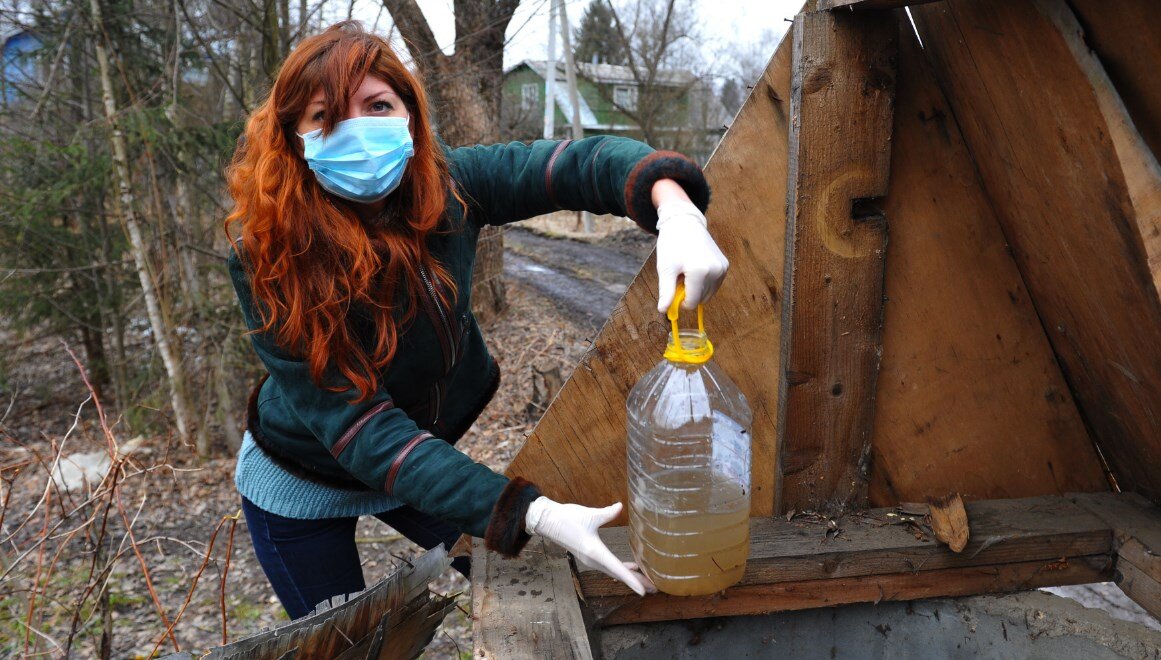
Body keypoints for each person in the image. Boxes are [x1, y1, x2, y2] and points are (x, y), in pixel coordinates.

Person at [224, 21, 728, 620]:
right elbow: (362, 430)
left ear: (409, 116)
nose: (356, 131)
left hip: (419, 458)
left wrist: (673, 209)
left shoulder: (450, 189)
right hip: (303, 476)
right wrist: (535, 511)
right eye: (324, 118)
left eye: (377, 106)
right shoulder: (269, 255)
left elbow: (576, 164)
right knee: (348, 644)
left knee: (528, 582)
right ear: (294, 139)